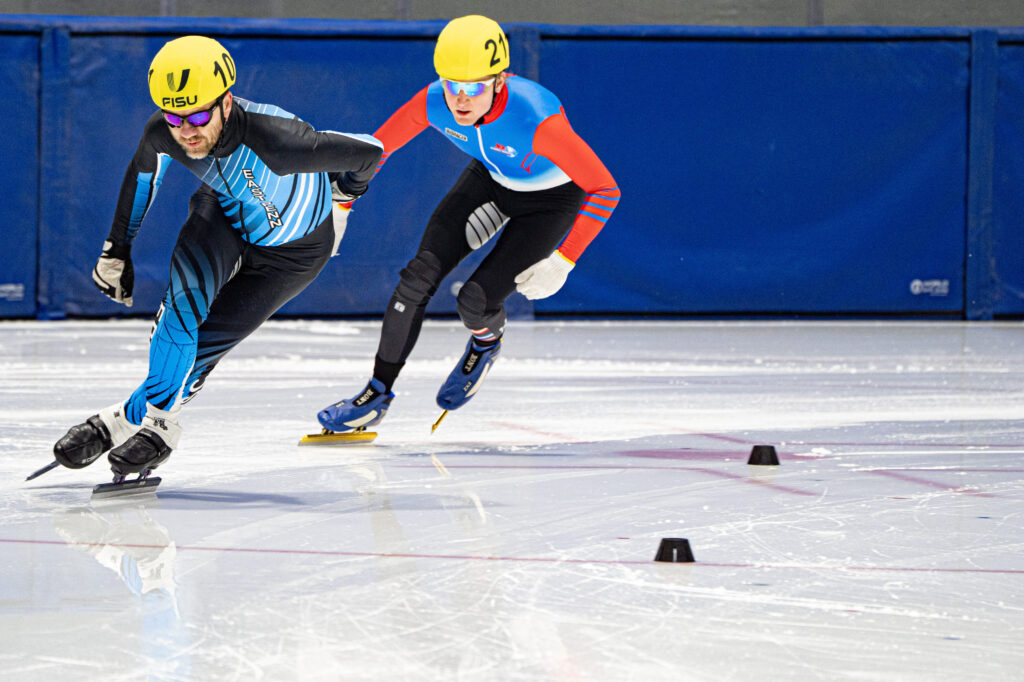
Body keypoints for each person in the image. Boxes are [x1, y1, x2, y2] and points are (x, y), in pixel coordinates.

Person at [52, 35, 383, 479]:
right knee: (180, 310)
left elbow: (371, 151)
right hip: (224, 213)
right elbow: (142, 178)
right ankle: (162, 425)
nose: (186, 130)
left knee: (205, 346)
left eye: (198, 115)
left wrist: (344, 197)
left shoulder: (281, 141)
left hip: (296, 251)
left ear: (227, 103)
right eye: (174, 116)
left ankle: (124, 420)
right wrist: (117, 250)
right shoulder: (163, 133)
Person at [317, 15, 619, 434]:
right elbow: (378, 149)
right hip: (490, 182)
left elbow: (605, 188)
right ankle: (375, 395)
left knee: (474, 303)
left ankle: (486, 341)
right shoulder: (433, 100)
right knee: (416, 279)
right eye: (451, 85)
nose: (459, 99)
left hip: (549, 203)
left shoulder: (537, 118)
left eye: (473, 87)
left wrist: (564, 259)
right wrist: (342, 205)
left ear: (499, 80)